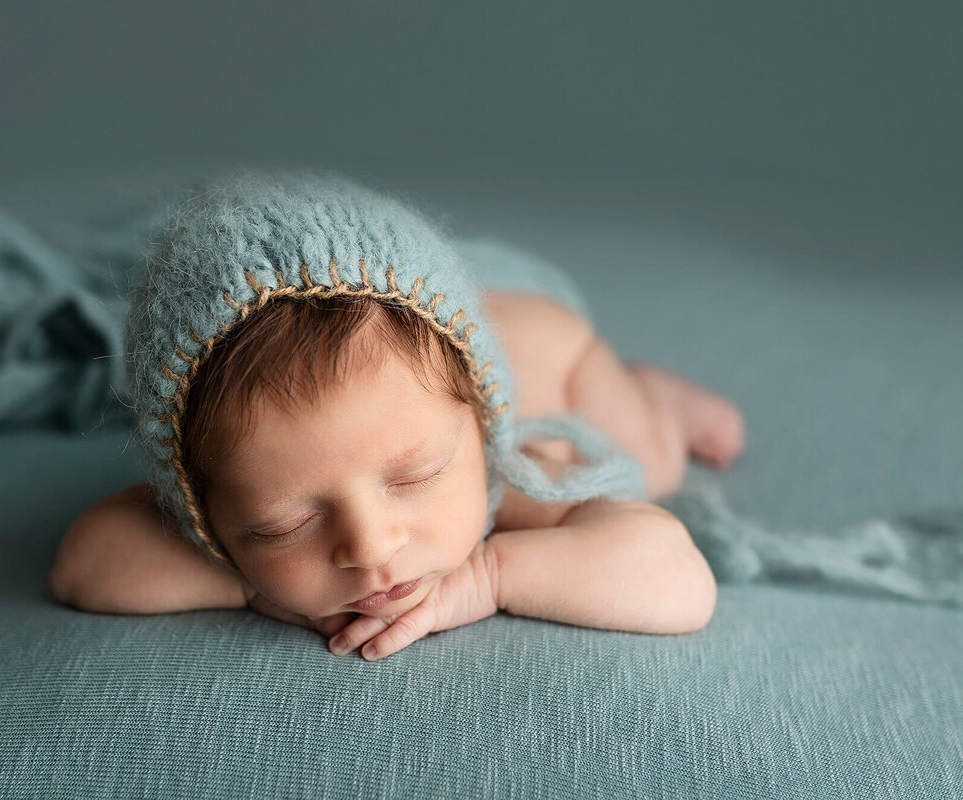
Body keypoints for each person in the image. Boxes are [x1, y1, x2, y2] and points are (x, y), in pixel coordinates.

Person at [49, 170, 745, 661]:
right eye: (284, 523)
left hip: (534, 328)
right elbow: (85, 563)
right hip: (375, 280)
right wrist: (253, 581)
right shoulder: (235, 494)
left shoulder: (521, 471)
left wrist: (488, 577)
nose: (371, 548)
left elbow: (681, 582)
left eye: (416, 476)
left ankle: (650, 388)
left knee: (650, 461)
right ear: (203, 510)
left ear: (476, 432)